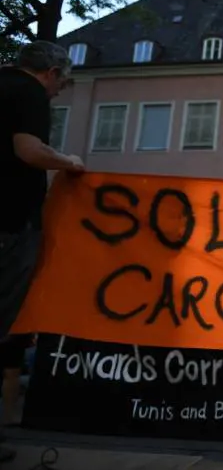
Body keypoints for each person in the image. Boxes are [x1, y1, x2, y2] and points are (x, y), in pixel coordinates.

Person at [0, 41, 84, 462]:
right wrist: (68, 162)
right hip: (10, 224)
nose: (59, 92)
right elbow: (29, 152)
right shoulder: (28, 93)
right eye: (62, 83)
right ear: (50, 71)